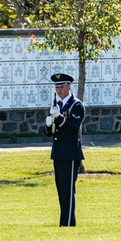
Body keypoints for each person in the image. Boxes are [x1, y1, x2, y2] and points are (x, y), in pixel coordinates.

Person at [44, 72, 85, 227]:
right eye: (56, 86)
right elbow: (53, 132)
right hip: (58, 152)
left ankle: (68, 223)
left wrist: (59, 118)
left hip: (70, 153)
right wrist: (48, 125)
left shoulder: (76, 105)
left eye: (61, 86)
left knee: (68, 191)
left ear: (69, 86)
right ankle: (64, 222)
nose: (59, 89)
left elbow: (73, 128)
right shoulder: (58, 105)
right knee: (61, 191)